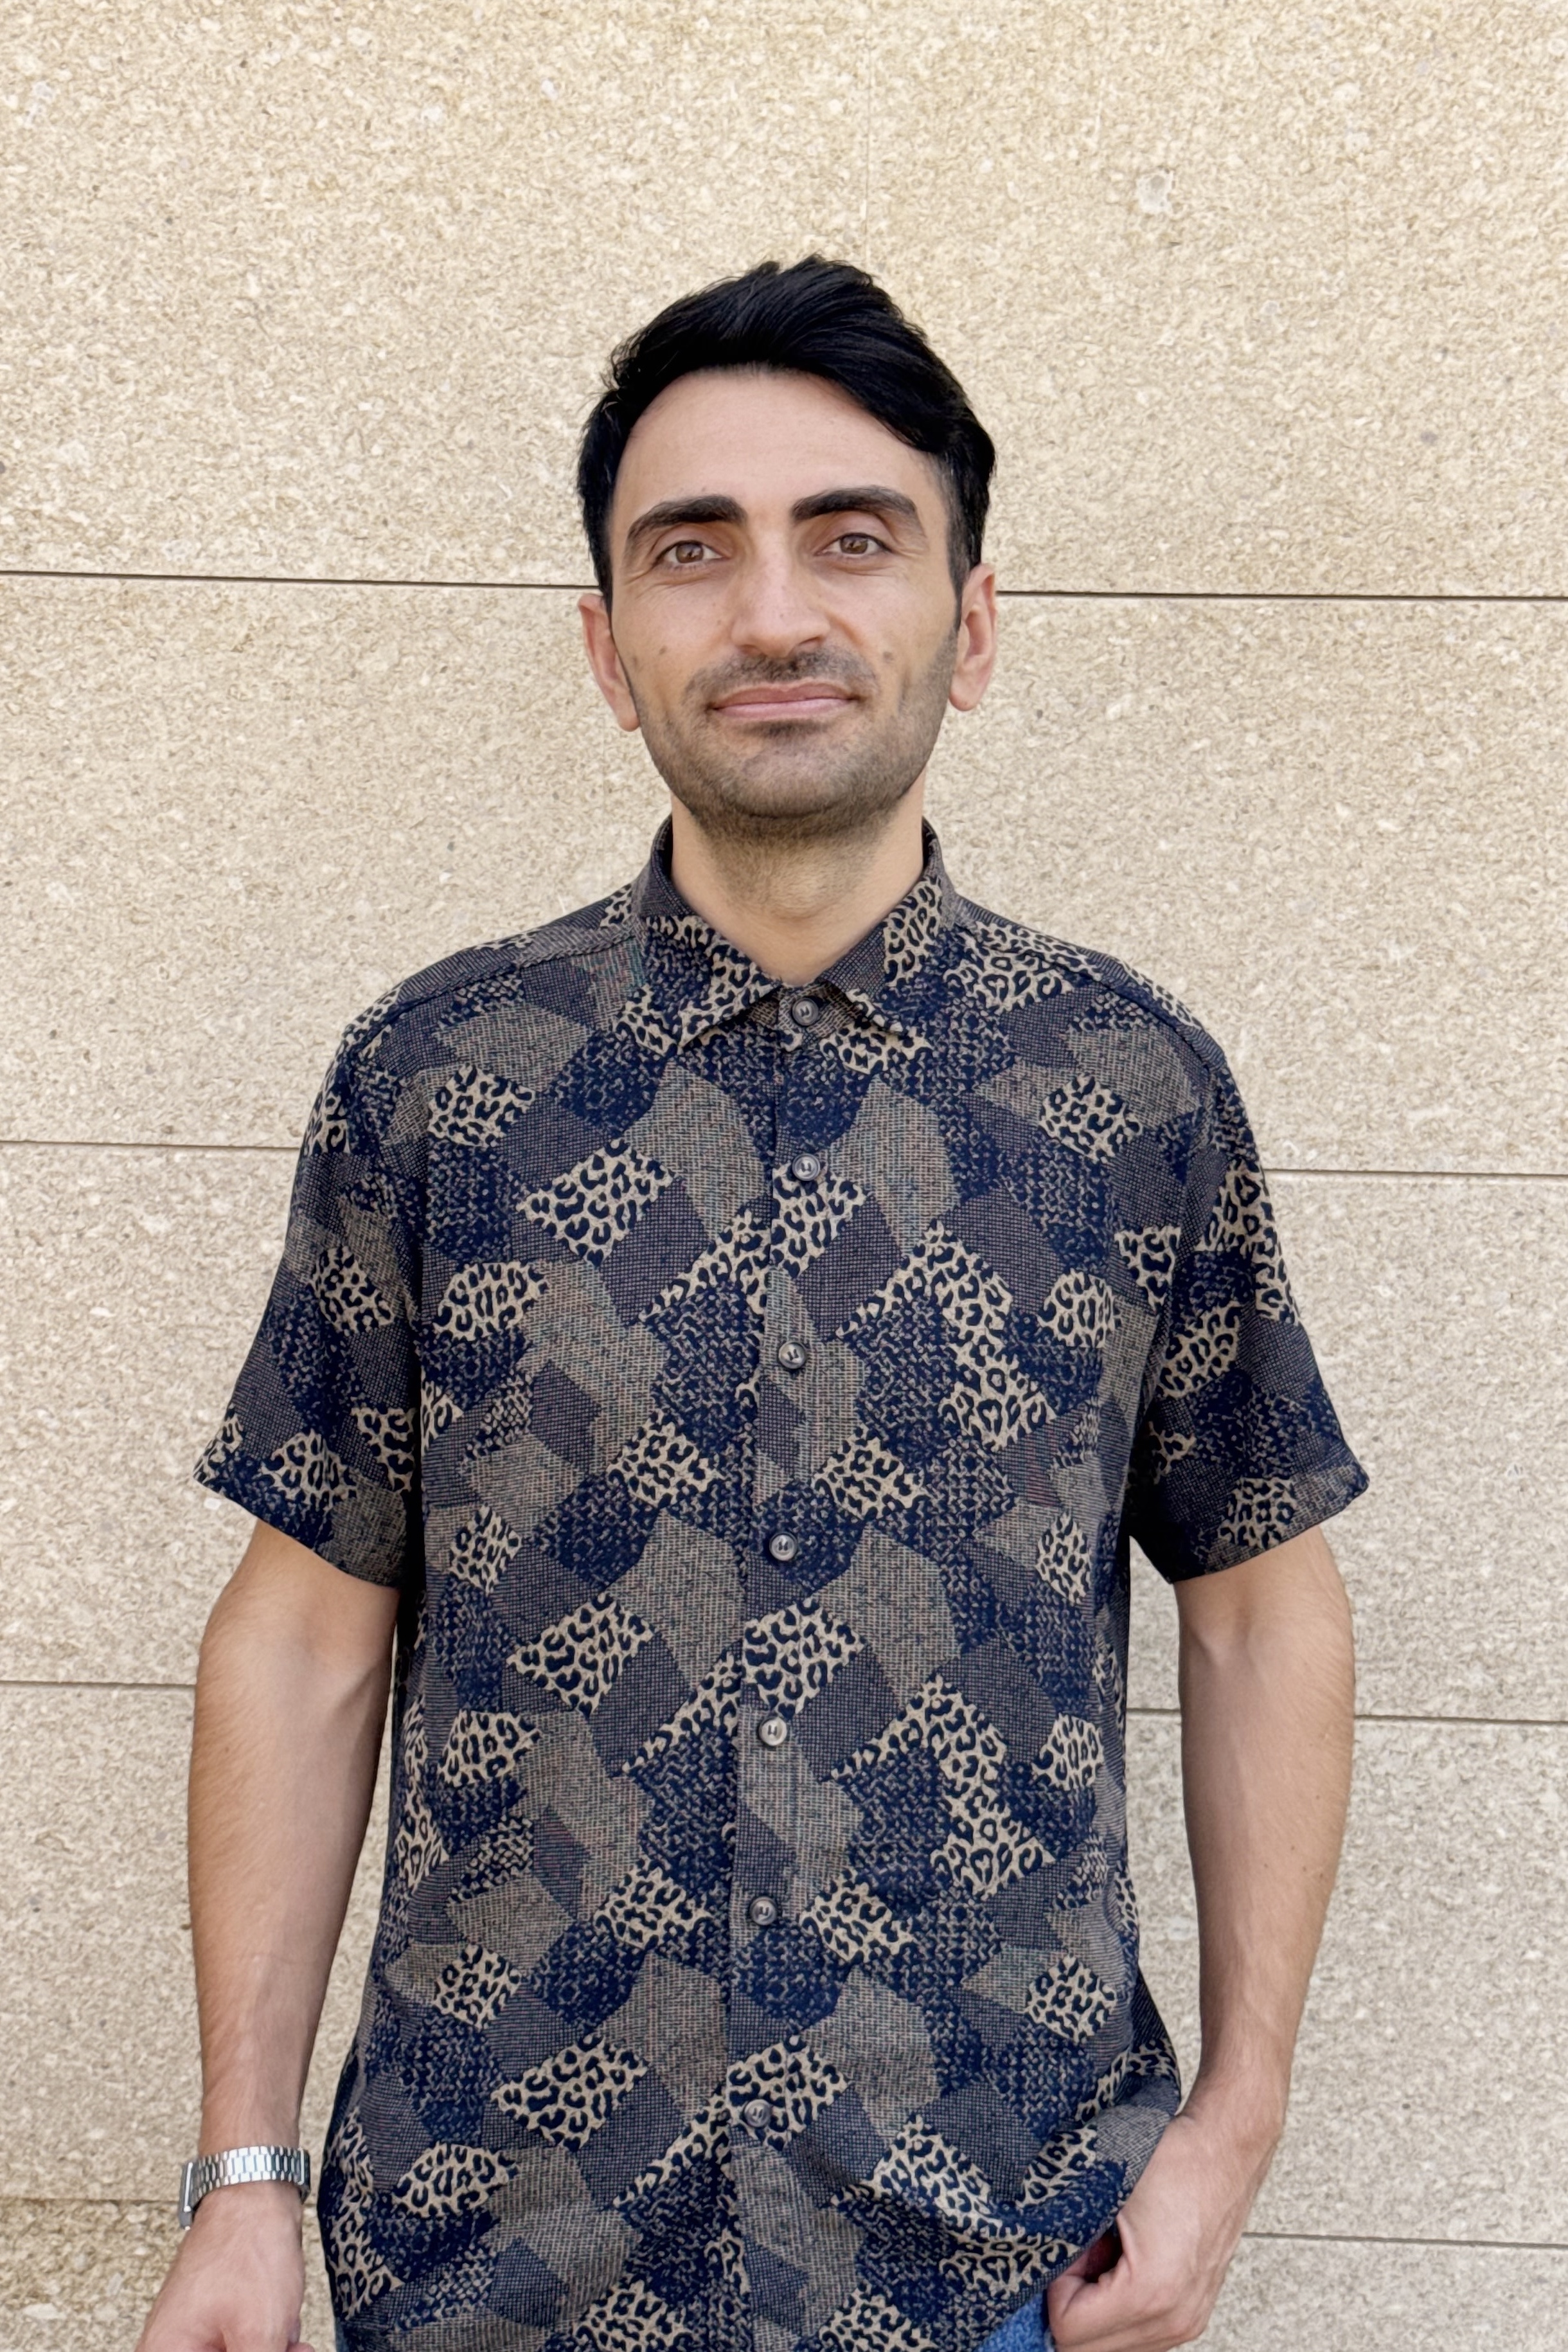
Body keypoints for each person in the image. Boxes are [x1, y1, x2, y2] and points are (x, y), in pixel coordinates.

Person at [138, 256, 1364, 2352]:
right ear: (609, 648)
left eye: (852, 538)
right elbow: (305, 1632)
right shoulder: (441, 1085)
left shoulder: (1130, 1094)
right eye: (691, 550)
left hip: (994, 2259)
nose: (775, 612)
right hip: (494, 2260)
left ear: (972, 621)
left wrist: (1235, 2126)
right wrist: (245, 2174)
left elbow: (1262, 1605)